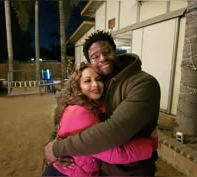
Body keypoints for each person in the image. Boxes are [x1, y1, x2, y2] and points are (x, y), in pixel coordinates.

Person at [45, 30, 161, 176]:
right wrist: (52, 145)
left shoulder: (143, 83)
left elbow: (114, 131)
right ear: (90, 62)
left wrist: (57, 149)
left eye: (107, 52)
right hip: (100, 169)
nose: (103, 58)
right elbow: (62, 118)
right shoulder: (99, 84)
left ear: (115, 52)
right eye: (95, 56)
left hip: (131, 171)